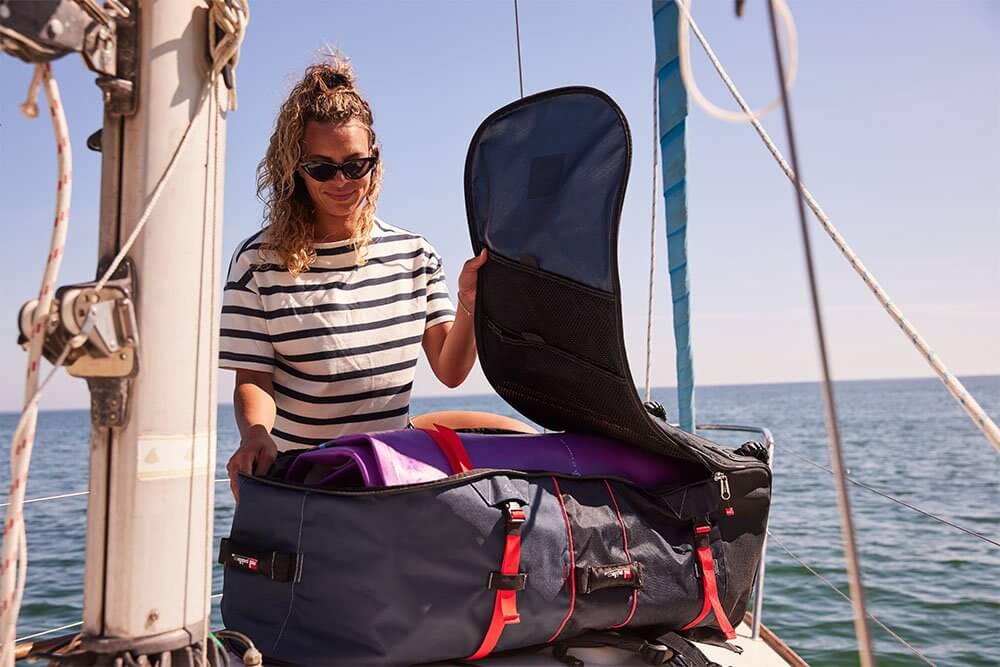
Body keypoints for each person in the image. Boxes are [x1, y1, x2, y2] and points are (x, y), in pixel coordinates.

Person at [220, 56, 489, 499]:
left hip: (390, 481)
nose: (341, 180)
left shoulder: (414, 255)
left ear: (374, 160)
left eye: (354, 165)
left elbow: (451, 369)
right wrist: (254, 435)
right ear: (295, 169)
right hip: (303, 482)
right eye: (322, 168)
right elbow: (254, 380)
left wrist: (469, 305)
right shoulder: (258, 263)